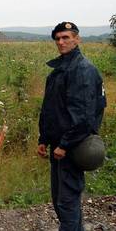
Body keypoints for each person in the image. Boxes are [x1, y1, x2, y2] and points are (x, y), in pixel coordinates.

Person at [37, 22, 106, 230]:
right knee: (61, 200)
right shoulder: (61, 69)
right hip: (59, 146)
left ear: (77, 39)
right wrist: (44, 139)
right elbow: (51, 109)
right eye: (58, 38)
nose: (61, 42)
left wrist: (65, 145)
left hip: (72, 147)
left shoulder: (82, 70)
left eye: (66, 37)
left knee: (66, 202)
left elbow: (84, 117)